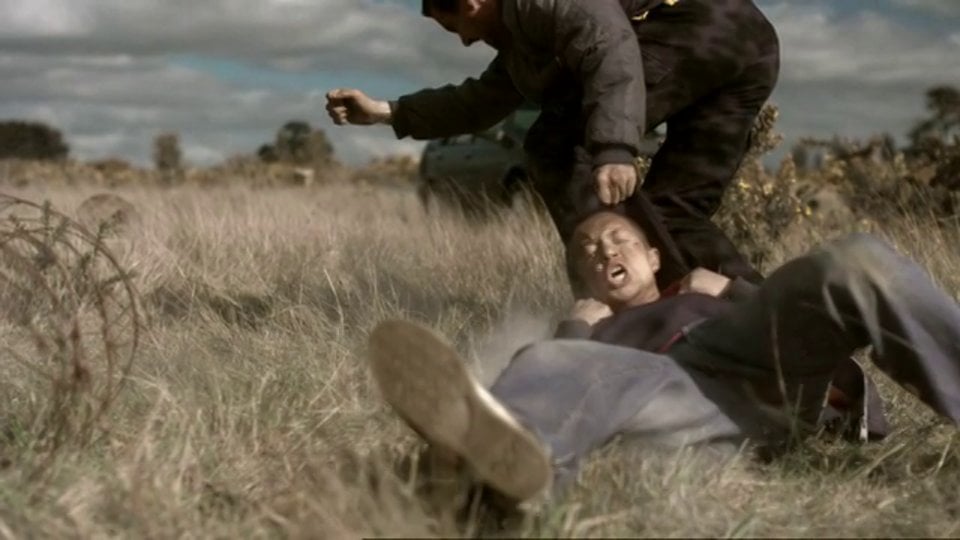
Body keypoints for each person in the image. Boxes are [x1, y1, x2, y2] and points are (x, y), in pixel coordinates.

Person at [367, 210, 960, 506]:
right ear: (588, 281)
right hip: (681, 395)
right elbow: (560, 374)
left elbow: (815, 320)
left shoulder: (711, 293)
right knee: (552, 357)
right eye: (589, 252)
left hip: (762, 364)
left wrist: (730, 291)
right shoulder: (587, 334)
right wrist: (577, 324)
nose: (603, 251)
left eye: (618, 239)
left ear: (653, 256)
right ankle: (503, 469)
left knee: (855, 259)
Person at [326, 0, 781, 290]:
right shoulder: (522, 48)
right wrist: (385, 112)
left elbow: (610, 45)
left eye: (457, 26)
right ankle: (765, 320)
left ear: (473, 2)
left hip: (704, 23)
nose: (465, 40)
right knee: (671, 209)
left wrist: (614, 149)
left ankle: (638, 303)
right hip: (751, 44)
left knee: (554, 143)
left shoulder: (542, 2)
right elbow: (479, 102)